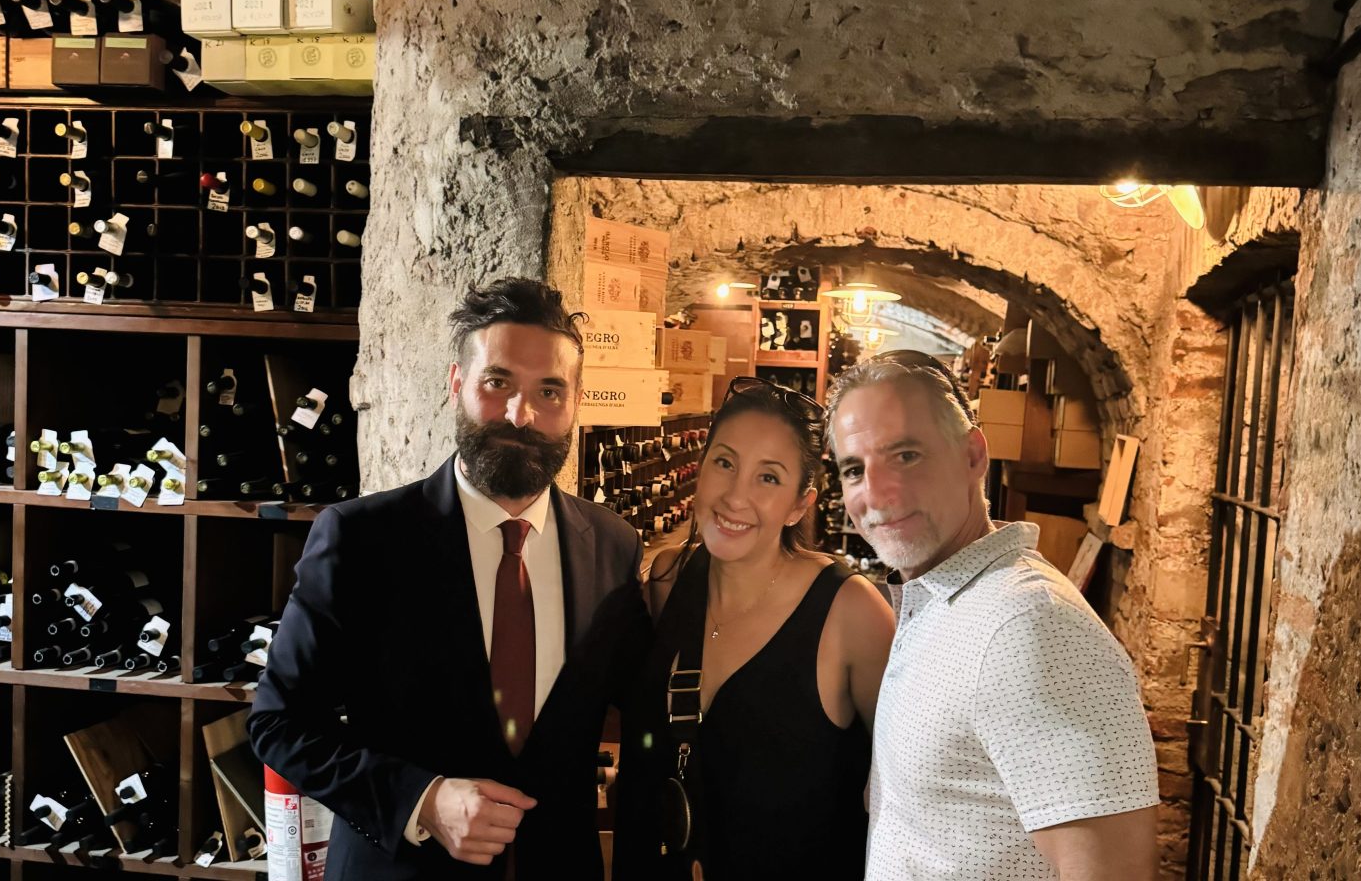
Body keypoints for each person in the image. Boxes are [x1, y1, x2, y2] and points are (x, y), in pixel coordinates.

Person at [248, 278, 650, 880]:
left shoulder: (613, 546)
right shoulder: (361, 539)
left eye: (549, 390)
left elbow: (647, 708)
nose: (523, 414)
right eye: (498, 382)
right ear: (456, 383)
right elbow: (278, 724)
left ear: (576, 401)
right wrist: (423, 800)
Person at [824, 350, 1161, 881]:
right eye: (854, 469)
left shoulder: (1031, 626)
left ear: (974, 455)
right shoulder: (943, 600)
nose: (877, 494)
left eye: (906, 455)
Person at [613, 376, 895, 880]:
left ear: (799, 505)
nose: (735, 497)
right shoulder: (667, 578)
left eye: (768, 478)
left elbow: (905, 791)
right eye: (725, 463)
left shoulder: (850, 612)